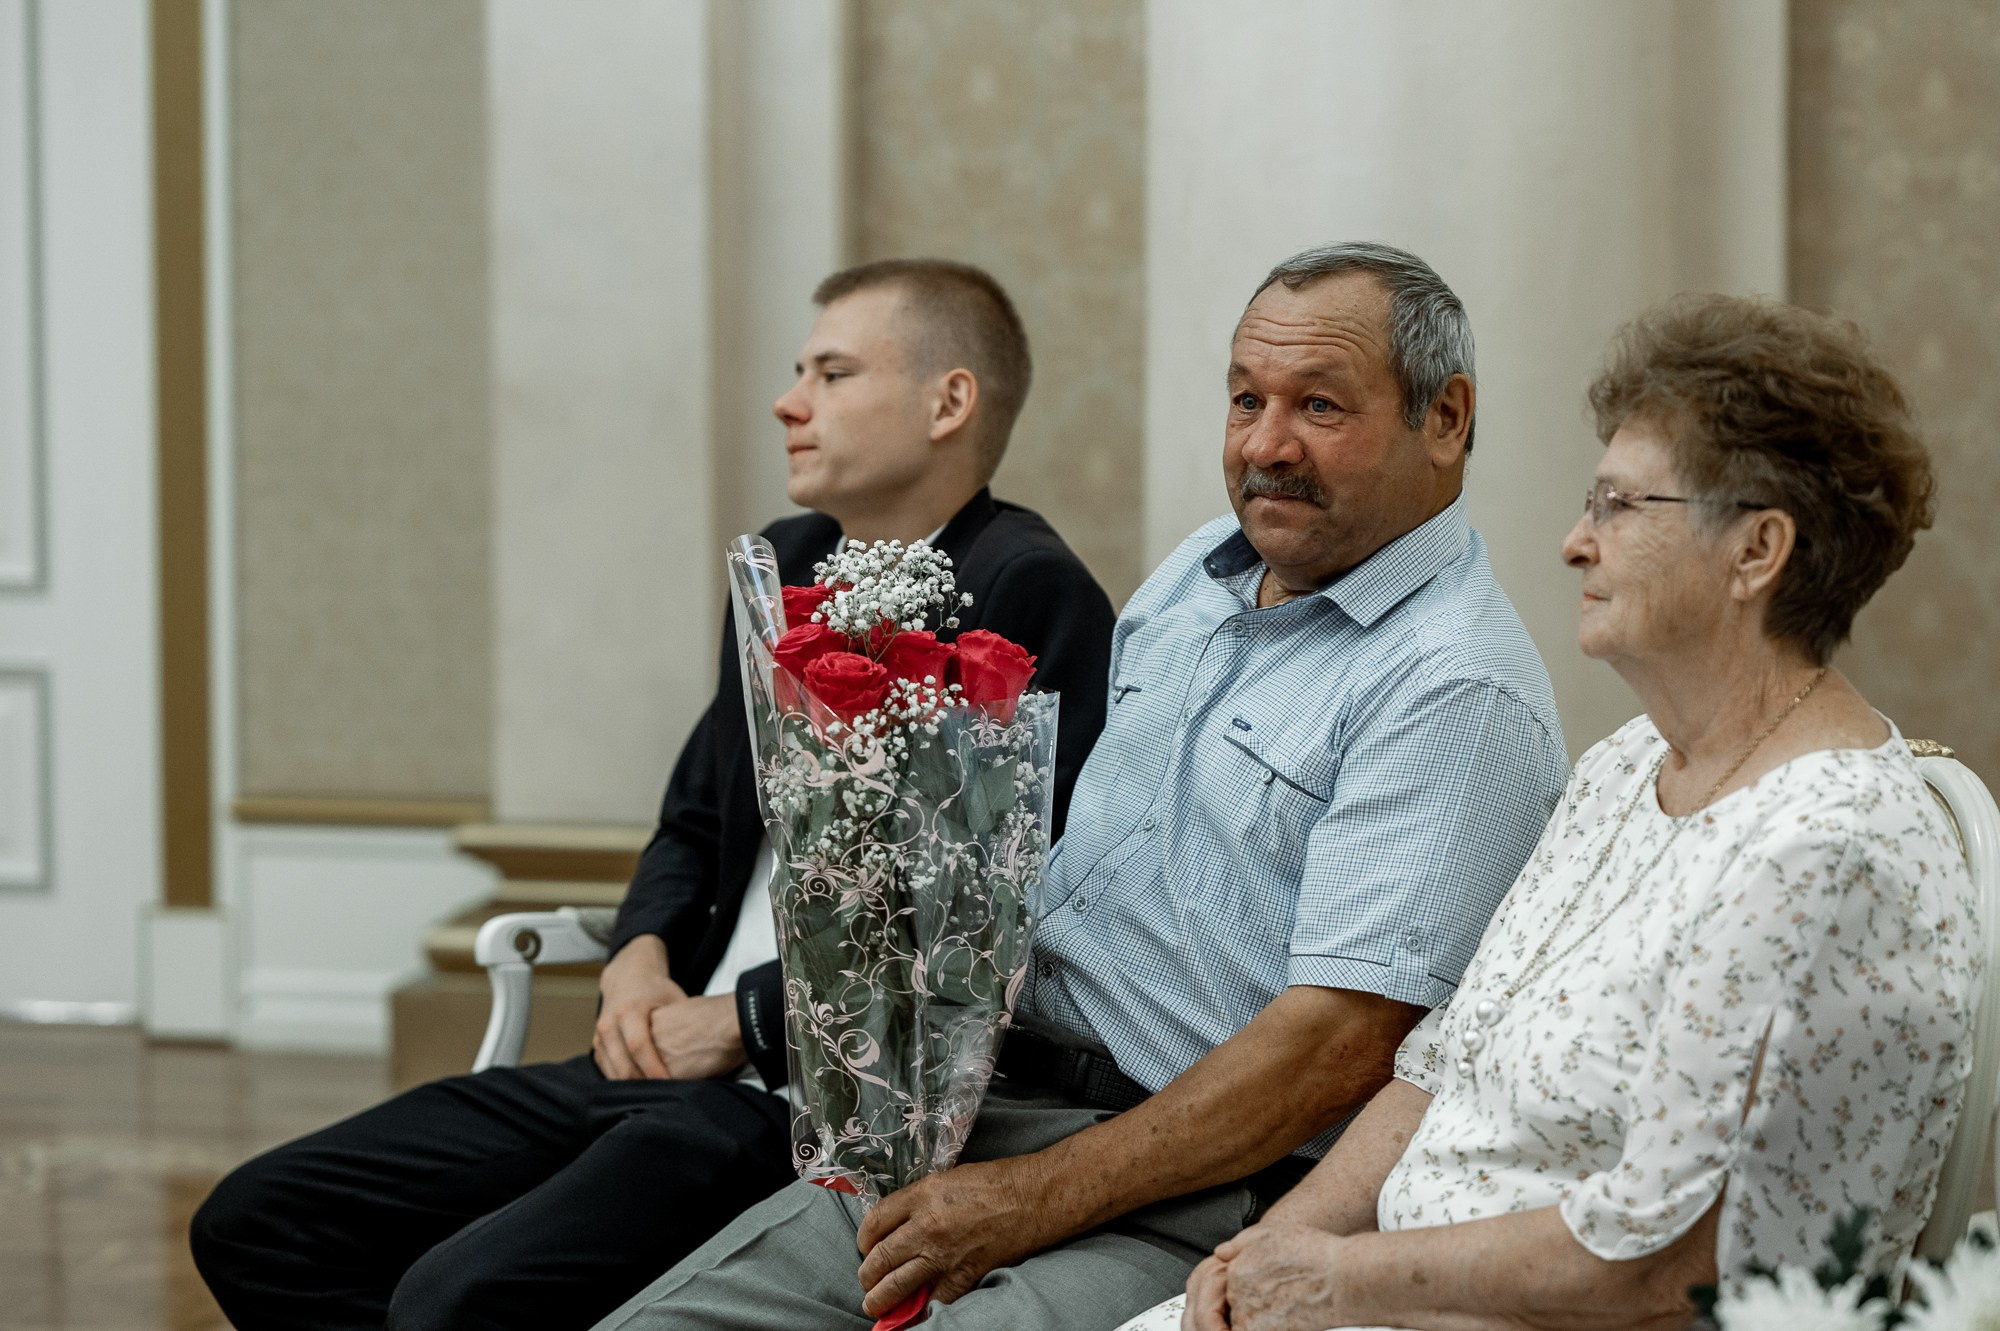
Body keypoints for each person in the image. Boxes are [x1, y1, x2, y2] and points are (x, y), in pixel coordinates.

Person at [589, 242, 1571, 1331]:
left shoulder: (1452, 687)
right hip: (976, 1109)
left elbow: (1329, 1051)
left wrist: (1029, 1195)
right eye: (1244, 398)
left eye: (1320, 405)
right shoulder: (1196, 578)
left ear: (1445, 418)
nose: (1264, 444)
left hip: (1195, 1194)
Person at [189, 259, 1119, 1331]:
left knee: (450, 1297)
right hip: (653, 1050)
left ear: (947, 401)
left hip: (799, 1103)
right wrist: (637, 954)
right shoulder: (786, 562)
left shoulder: (1023, 590)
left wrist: (747, 1021)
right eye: (796, 370)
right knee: (258, 1217)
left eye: (831, 371)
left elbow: (989, 910)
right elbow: (694, 816)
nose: (789, 400)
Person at [1132, 293, 1979, 1331]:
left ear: (1756, 549)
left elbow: (1657, 1262)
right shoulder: (1628, 764)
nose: (1574, 542)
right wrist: (1267, 1249)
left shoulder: (1827, 849)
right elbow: (1441, 1061)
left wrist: (1335, 1279)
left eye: (1621, 506)